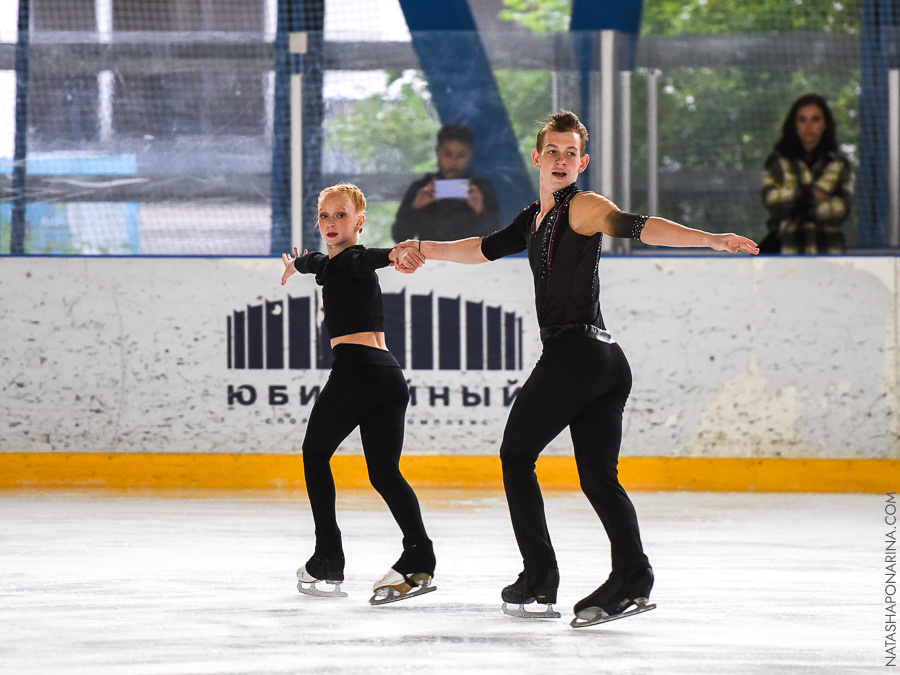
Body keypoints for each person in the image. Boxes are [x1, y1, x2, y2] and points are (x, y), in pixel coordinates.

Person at [395, 110, 759, 627]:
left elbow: (639, 227)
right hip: (604, 361)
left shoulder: (583, 206)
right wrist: (423, 249)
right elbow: (482, 248)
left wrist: (712, 239)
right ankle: (632, 577)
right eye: (554, 151)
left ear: (582, 162)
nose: (562, 159)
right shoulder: (531, 219)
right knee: (597, 479)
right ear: (538, 158)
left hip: (578, 355)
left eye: (571, 153)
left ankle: (540, 578)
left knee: (516, 455)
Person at [279, 183, 435, 606]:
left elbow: (360, 259)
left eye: (342, 216)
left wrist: (392, 254)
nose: (332, 223)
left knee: (314, 454)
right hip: (388, 377)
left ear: (359, 221)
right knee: (384, 473)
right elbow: (320, 264)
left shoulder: (353, 260)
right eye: (325, 216)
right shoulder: (332, 263)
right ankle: (420, 554)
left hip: (357, 373)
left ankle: (329, 556)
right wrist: (300, 263)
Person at [761, 93, 854, 254]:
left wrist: (795, 203)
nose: (808, 126)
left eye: (815, 119)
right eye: (802, 119)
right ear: (793, 124)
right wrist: (813, 196)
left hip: (829, 253)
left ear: (825, 124)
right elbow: (772, 201)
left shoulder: (839, 165)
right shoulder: (777, 163)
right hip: (786, 253)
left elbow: (842, 209)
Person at [391, 123, 500, 242]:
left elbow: (496, 240)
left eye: (461, 155)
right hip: (430, 259)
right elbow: (399, 237)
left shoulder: (482, 189)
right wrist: (415, 207)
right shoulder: (422, 189)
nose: (453, 161)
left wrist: (481, 210)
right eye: (448, 154)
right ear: (437, 152)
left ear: (470, 155)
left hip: (470, 259)